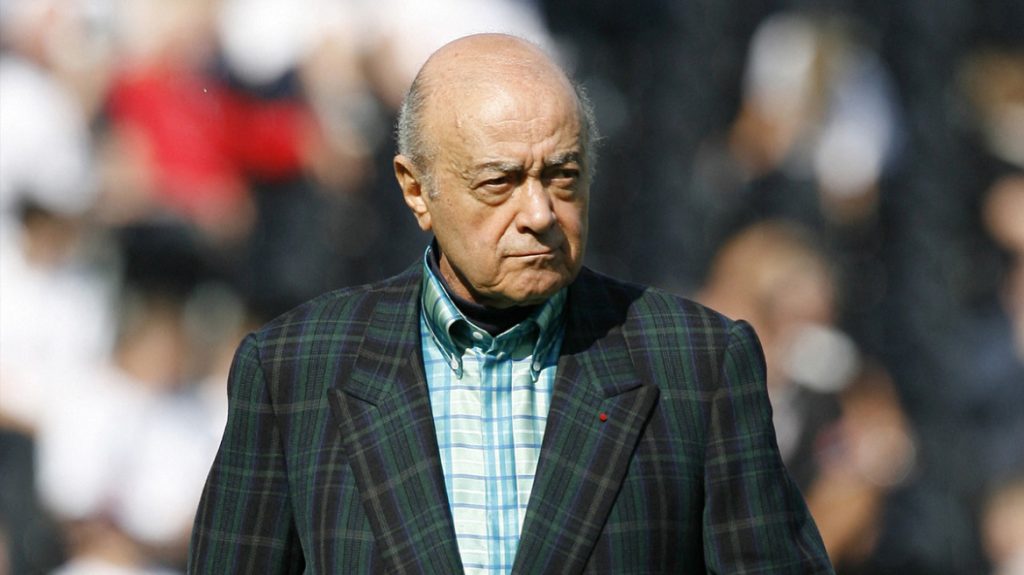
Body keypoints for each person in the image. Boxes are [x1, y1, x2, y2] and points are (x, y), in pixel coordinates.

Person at [189, 33, 833, 574]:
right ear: (416, 190)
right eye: (500, 181)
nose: (539, 213)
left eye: (563, 176)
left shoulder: (698, 363)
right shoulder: (294, 370)